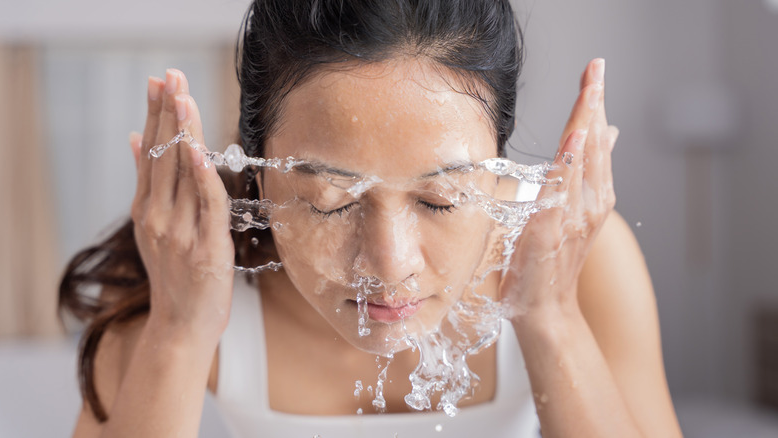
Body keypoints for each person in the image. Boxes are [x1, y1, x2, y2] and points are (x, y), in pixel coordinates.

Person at [59, 0, 683, 436]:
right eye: (332, 202)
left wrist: (550, 317)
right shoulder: (187, 276)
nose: (389, 265)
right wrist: (179, 328)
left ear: (497, 163)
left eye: (440, 201)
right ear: (260, 166)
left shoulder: (580, 259)